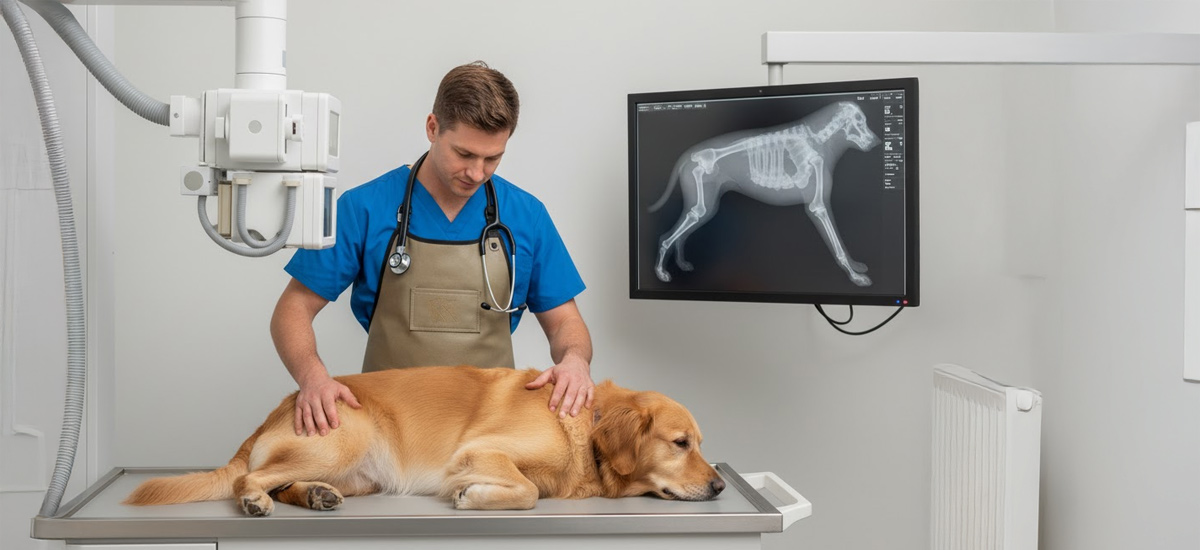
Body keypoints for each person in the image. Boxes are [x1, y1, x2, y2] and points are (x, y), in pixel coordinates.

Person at [270, 61, 593, 437]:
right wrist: (314, 379)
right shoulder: (364, 208)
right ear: (432, 127)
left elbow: (565, 322)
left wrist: (575, 361)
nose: (477, 173)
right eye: (464, 154)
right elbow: (292, 309)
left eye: (492, 158)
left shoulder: (527, 215)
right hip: (386, 429)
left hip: (489, 431)